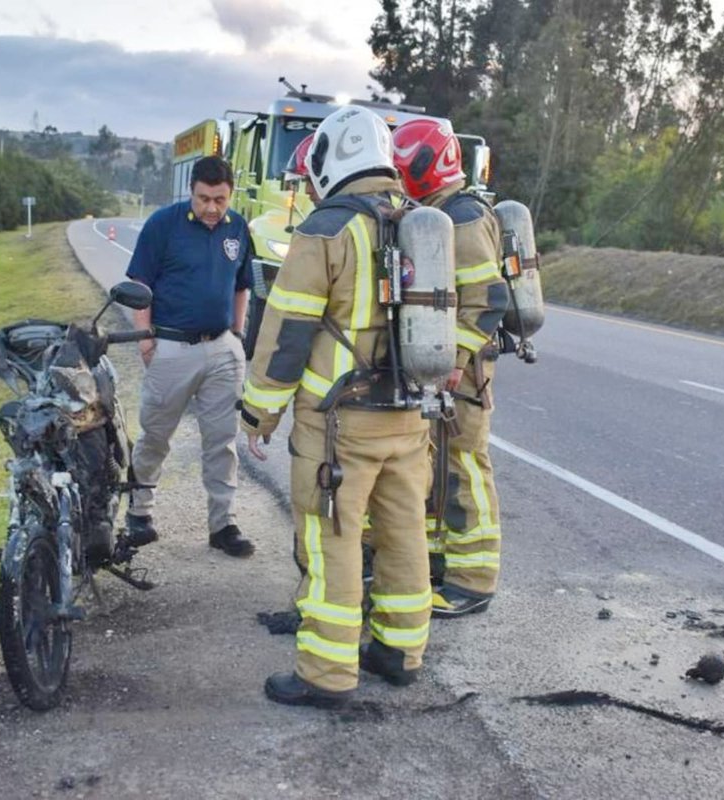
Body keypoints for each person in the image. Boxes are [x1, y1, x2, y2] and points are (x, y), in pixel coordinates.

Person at [241, 105, 434, 708]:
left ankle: (326, 674)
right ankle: (400, 652)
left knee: (333, 538)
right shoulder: (415, 224)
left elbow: (287, 333)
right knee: (403, 534)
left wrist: (259, 413)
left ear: (331, 159)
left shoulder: (326, 230)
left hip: (338, 425)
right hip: (408, 416)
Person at [391, 118, 509, 618]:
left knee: (465, 467)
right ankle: (441, 561)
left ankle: (474, 580)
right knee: (438, 470)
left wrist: (455, 360)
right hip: (444, 367)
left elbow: (487, 298)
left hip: (462, 371)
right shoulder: (438, 213)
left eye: (405, 170)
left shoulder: (461, 216)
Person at [121, 155, 256, 558]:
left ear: (230, 194)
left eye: (220, 199)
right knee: (155, 436)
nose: (212, 208)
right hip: (171, 348)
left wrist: (237, 335)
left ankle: (223, 524)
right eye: (203, 198)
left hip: (222, 351)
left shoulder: (238, 229)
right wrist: (146, 340)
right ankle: (140, 513)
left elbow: (241, 285)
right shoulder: (163, 224)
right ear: (191, 192)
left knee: (222, 442)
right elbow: (139, 283)